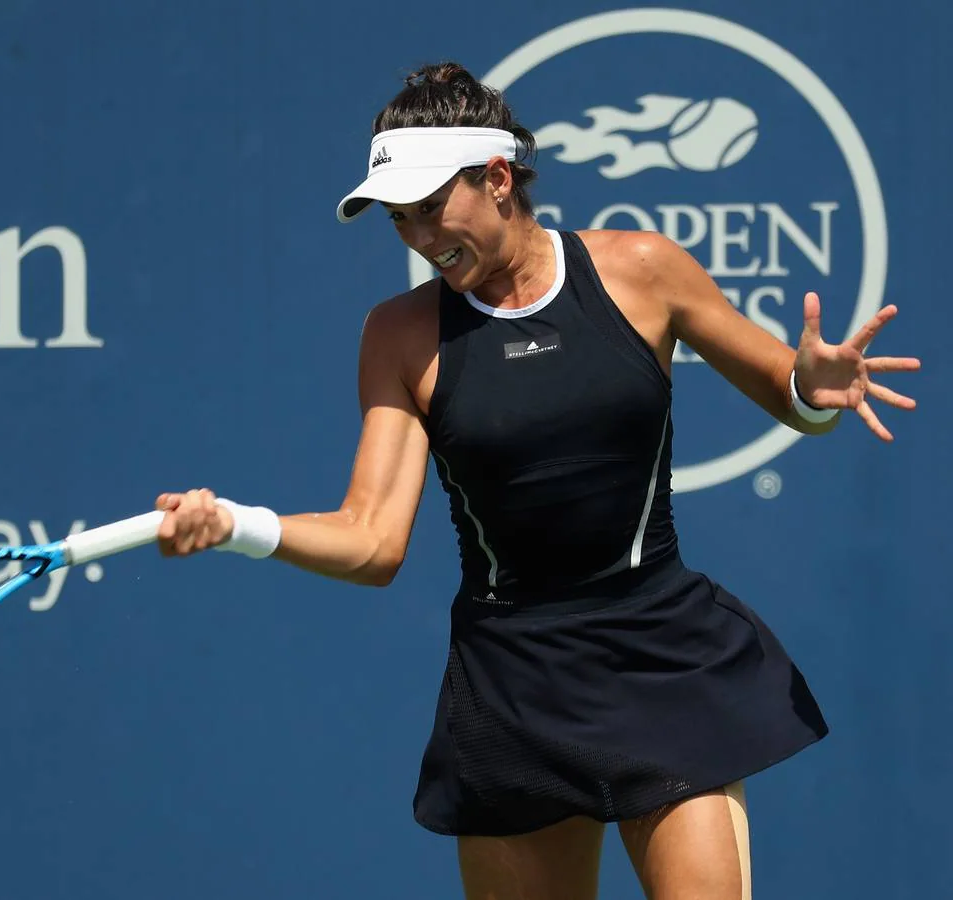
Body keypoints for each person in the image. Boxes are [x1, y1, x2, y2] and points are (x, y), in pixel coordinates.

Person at [152, 62, 921, 899]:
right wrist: (236, 524)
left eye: (432, 208)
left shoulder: (643, 270)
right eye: (400, 219)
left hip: (661, 654)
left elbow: (791, 392)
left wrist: (813, 387)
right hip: (511, 684)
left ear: (498, 177)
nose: (419, 237)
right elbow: (371, 539)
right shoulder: (400, 335)